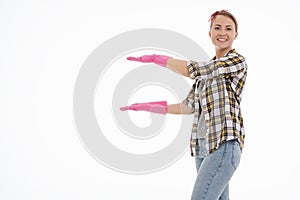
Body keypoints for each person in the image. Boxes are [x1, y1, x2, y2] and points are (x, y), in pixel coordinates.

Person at [120, 10, 247, 200]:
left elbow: (196, 70)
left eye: (228, 29)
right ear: (210, 33)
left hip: (224, 143)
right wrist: (147, 106)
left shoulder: (236, 61)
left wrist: (158, 59)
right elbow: (187, 106)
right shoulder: (204, 77)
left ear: (236, 34)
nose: (223, 32)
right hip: (203, 147)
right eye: (217, 27)